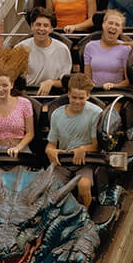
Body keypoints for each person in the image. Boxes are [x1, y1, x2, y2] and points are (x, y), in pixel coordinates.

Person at [44, 73, 102, 207]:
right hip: (64, 162)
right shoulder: (57, 114)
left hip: (85, 161)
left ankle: (83, 215)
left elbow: (96, 145)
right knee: (49, 188)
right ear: (68, 94)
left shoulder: (96, 113)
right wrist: (50, 152)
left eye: (81, 98)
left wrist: (83, 149)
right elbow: (50, 145)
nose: (77, 101)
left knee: (83, 185)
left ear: (88, 96)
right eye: (74, 97)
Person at [14, 10, 73, 95]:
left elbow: (64, 82)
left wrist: (51, 82)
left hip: (53, 94)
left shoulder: (62, 49)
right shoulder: (20, 48)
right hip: (26, 93)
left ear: (51, 29)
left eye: (46, 25)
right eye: (38, 25)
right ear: (31, 26)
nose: (41, 29)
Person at [83, 9, 133, 91]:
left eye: (117, 25)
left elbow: (128, 81)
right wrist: (94, 87)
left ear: (121, 30)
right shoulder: (90, 46)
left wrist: (114, 86)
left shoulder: (126, 49)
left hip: (116, 92)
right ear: (103, 25)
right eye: (110, 23)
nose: (113, 27)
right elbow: (87, 78)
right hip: (95, 92)